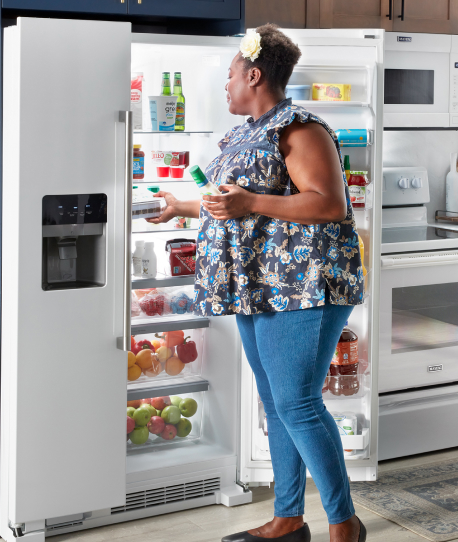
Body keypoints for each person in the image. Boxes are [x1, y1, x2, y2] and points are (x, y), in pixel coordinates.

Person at [146, 24, 367, 542]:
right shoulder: (244, 133)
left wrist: (247, 203)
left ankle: (344, 524)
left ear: (254, 74)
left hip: (304, 288)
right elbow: (230, 198)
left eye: (229, 76)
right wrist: (179, 206)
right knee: (278, 405)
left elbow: (329, 203)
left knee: (298, 404)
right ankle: (289, 519)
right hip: (258, 287)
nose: (225, 86)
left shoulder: (301, 128)